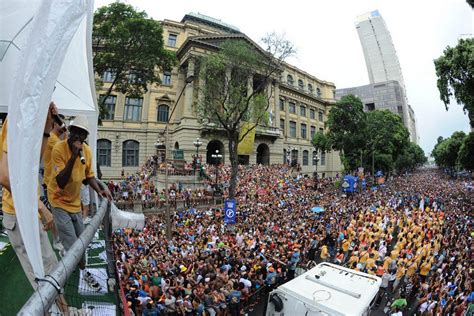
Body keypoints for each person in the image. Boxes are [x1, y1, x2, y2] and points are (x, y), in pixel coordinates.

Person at [0, 103, 67, 310]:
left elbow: (30, 167)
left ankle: (62, 311)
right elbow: (4, 175)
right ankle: (62, 311)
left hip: (26, 210)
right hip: (18, 213)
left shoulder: (32, 122)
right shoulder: (16, 120)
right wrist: (39, 206)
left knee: (48, 271)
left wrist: (47, 126)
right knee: (43, 275)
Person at [48, 114, 112, 288]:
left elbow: (89, 176)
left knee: (82, 240)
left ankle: (77, 263)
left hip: (75, 203)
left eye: (82, 134)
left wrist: (100, 190)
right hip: (58, 201)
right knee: (72, 242)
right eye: (75, 132)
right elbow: (61, 181)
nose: (78, 137)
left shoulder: (88, 152)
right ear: (69, 132)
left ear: (85, 137)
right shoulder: (59, 149)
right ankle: (82, 271)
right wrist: (73, 156)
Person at [42, 113, 67, 252]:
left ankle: (59, 239)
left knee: (58, 212)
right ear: (55, 124)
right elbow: (66, 148)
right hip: (51, 182)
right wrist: (67, 133)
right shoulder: (52, 138)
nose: (63, 125)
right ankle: (57, 241)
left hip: (55, 181)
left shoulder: (56, 137)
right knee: (55, 213)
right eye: (61, 122)